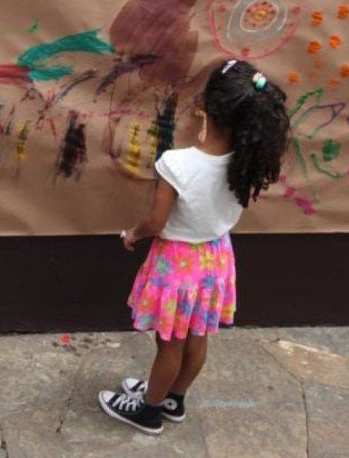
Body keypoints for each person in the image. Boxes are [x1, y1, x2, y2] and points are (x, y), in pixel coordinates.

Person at [98, 59, 289, 434]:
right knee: (198, 336)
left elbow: (157, 221)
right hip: (215, 259)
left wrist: (132, 234)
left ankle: (149, 410)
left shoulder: (177, 164)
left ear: (207, 105)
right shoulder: (247, 160)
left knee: (169, 344)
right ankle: (173, 397)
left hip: (177, 264)